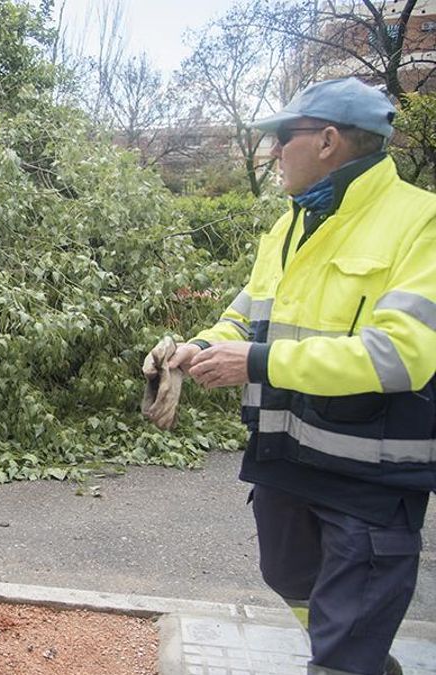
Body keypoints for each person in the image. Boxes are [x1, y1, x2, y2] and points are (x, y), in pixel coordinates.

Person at [155, 77, 435, 675]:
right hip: (286, 460)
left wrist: (255, 363)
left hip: (369, 477)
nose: (274, 152)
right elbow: (247, 314)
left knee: (343, 642)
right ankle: (356, 654)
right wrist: (196, 348)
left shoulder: (421, 222)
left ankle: (349, 658)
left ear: (329, 140)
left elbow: (401, 356)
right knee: (286, 574)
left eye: (284, 138)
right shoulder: (291, 224)